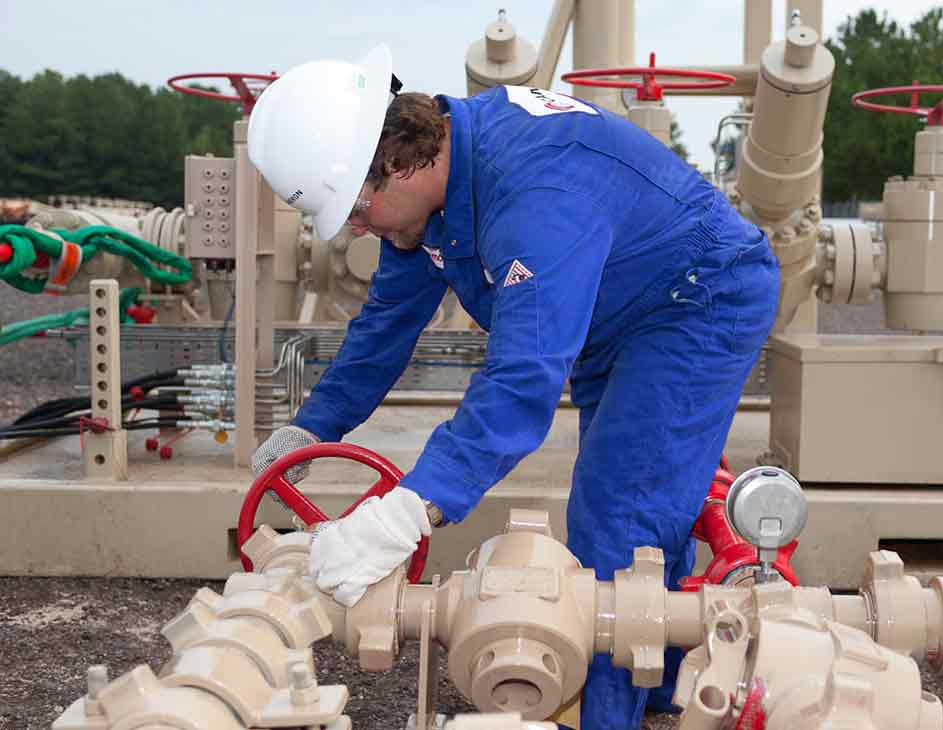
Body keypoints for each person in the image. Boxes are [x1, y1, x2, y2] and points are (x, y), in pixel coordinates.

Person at [248, 44, 779, 730]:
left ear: (397, 164)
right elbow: (386, 324)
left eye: (356, 206)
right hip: (625, 308)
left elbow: (524, 380)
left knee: (619, 513)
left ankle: (609, 717)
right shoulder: (433, 194)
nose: (355, 226)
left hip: (696, 299)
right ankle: (658, 690)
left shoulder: (535, 197)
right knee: (641, 514)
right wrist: (313, 427)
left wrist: (408, 510)